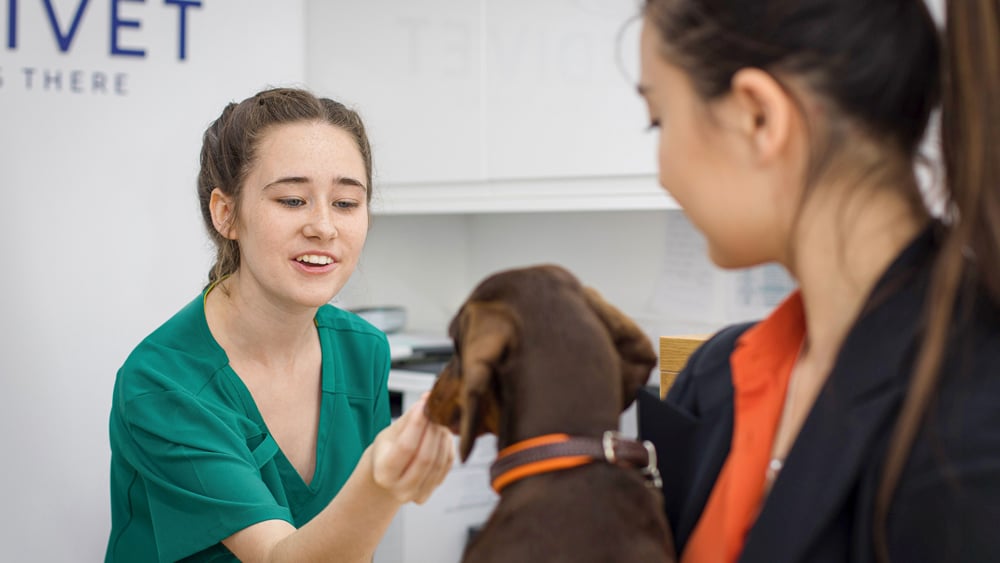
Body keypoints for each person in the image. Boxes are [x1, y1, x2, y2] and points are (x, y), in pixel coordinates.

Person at [635, 0, 1000, 561]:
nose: (662, 170)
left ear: (758, 116)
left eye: (659, 118)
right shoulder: (712, 379)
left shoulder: (970, 429)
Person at [105, 87, 456, 562]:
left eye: (347, 203)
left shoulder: (364, 352)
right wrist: (381, 481)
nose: (324, 227)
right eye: (292, 200)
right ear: (226, 213)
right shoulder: (163, 383)